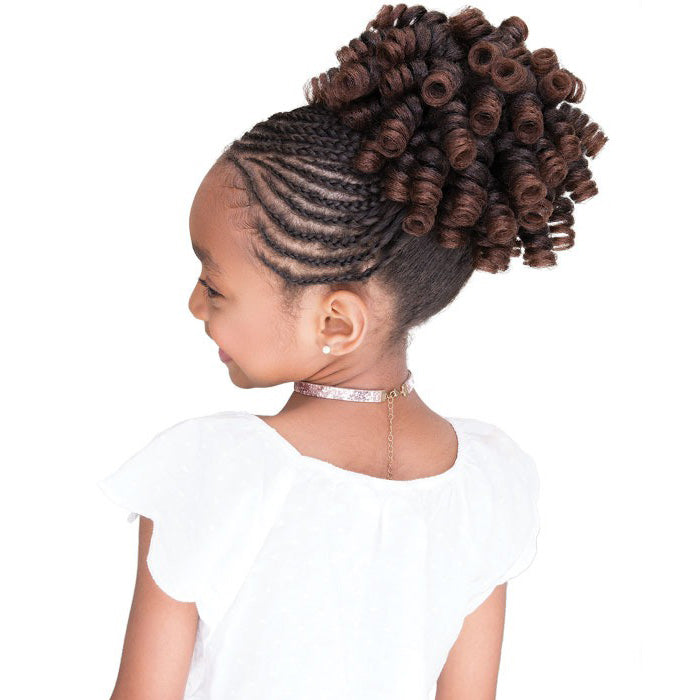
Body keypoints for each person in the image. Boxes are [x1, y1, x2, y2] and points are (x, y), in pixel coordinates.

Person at [97, 4, 607, 699]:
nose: (195, 304)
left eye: (214, 286)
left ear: (336, 323)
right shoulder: (489, 484)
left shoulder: (212, 471)